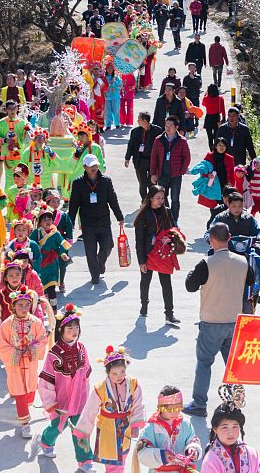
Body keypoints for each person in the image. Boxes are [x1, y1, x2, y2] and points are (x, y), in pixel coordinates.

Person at [182, 223, 256, 417]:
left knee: (204, 363)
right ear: (229, 237)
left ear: (211, 239)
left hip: (211, 322)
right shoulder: (243, 261)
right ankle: (235, 401)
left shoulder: (206, 263)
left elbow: (190, 286)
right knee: (232, 366)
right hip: (234, 321)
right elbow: (250, 281)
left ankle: (199, 403)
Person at [74, 346, 146, 473]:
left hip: (126, 429)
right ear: (107, 373)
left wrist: (136, 424)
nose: (119, 377)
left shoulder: (134, 384)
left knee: (121, 463)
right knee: (113, 465)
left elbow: (138, 405)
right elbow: (90, 412)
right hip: (107, 430)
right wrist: (83, 433)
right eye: (114, 374)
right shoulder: (100, 389)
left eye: (122, 372)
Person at [38, 304, 97, 473]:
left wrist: (87, 398)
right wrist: (50, 403)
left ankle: (85, 460)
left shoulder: (82, 349)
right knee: (58, 426)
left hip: (79, 399)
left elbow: (86, 373)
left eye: (76, 327)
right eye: (70, 328)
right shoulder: (53, 354)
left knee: (80, 429)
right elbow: (46, 381)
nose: (74, 331)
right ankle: (46, 441)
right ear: (61, 330)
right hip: (61, 400)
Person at [0, 290, 50, 438]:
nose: (23, 308)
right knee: (19, 390)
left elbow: (43, 340)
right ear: (13, 306)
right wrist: (15, 353)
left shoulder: (36, 323)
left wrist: (33, 350)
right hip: (14, 364)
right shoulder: (6, 324)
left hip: (30, 362)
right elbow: (2, 344)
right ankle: (25, 422)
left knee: (31, 389)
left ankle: (26, 407)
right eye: (20, 305)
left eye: (27, 305)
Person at [68, 154, 124, 286]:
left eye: (95, 165)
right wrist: (70, 223)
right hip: (88, 223)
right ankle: (95, 275)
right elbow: (74, 205)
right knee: (90, 251)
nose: (93, 168)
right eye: (90, 166)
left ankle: (100, 262)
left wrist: (119, 216)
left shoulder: (106, 181)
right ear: (84, 167)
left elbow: (113, 200)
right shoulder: (78, 183)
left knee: (108, 245)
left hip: (104, 220)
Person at [209, 191, 260, 305]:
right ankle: (210, 290)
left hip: (247, 251)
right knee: (211, 265)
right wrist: (211, 238)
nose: (237, 209)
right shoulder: (220, 218)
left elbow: (258, 231)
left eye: (240, 206)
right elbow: (209, 232)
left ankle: (259, 292)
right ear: (228, 204)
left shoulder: (249, 218)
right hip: (226, 251)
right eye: (234, 206)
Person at [134, 185, 181, 325]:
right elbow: (139, 240)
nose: (160, 201)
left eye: (162, 198)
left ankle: (169, 314)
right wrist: (141, 261)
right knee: (145, 282)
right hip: (148, 254)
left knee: (166, 284)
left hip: (163, 253)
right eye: (157, 198)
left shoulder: (167, 212)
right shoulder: (144, 214)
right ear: (150, 198)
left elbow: (175, 230)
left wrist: (171, 238)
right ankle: (144, 306)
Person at [150, 115, 190, 224]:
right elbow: (154, 156)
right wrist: (153, 173)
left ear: (176, 127)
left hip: (176, 175)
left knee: (175, 199)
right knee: (162, 198)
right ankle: (166, 217)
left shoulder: (181, 141)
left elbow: (187, 157)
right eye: (166, 125)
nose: (167, 128)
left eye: (170, 126)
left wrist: (181, 171)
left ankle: (174, 220)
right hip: (162, 173)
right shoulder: (159, 140)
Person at [125, 112, 162, 202]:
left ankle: (152, 199)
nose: (137, 121)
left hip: (152, 161)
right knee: (142, 183)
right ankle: (144, 201)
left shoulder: (157, 130)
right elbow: (131, 145)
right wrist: (127, 158)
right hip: (140, 160)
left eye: (139, 119)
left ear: (145, 121)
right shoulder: (135, 132)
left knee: (152, 182)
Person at [202, 85, 226, 151]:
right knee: (216, 136)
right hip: (216, 118)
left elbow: (203, 103)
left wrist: (205, 94)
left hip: (208, 118)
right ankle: (216, 150)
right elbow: (223, 110)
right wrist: (224, 118)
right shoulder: (220, 98)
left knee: (210, 137)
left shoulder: (206, 98)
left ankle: (211, 150)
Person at [103, 65, 123, 131]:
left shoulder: (116, 77)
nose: (109, 69)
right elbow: (102, 86)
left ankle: (117, 124)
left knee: (116, 111)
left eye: (111, 68)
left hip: (115, 97)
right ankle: (108, 125)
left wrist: (114, 82)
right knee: (108, 112)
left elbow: (120, 86)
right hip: (107, 97)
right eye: (108, 68)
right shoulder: (104, 77)